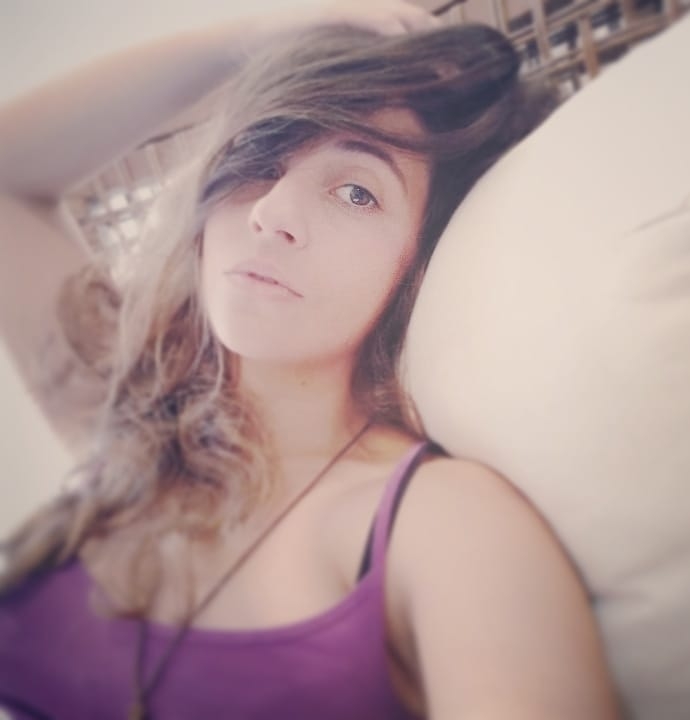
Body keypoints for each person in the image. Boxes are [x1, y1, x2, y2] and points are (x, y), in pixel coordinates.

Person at [0, 1, 619, 718]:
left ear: (426, 262)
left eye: (356, 192)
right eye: (262, 159)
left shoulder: (444, 526)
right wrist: (242, 40)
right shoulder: (128, 410)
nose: (271, 212)